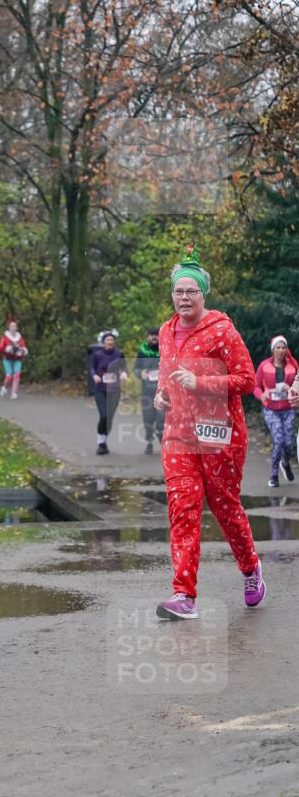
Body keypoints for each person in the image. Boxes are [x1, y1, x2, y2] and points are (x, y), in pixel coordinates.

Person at [154, 244, 265, 620]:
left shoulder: (223, 332)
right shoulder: (166, 332)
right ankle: (184, 595)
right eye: (178, 291)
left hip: (219, 434)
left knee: (224, 507)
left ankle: (251, 570)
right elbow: (168, 375)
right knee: (182, 510)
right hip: (178, 437)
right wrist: (161, 395)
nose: (184, 297)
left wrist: (200, 382)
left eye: (191, 291)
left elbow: (247, 381)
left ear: (203, 294)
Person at [253, 335, 298, 487]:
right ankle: (274, 476)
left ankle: (285, 463)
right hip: (270, 409)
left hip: (288, 409)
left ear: (286, 349)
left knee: (288, 443)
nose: (280, 350)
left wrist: (290, 388)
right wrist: (262, 394)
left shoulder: (293, 366)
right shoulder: (264, 366)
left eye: (283, 347)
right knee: (278, 440)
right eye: (277, 347)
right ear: (273, 349)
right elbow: (255, 386)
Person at [89, 330, 128, 453]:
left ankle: (104, 441)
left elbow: (124, 367)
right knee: (104, 415)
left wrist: (124, 373)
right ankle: (101, 443)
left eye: (112, 340)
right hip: (101, 389)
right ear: (103, 342)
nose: (110, 342)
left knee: (109, 418)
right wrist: (94, 375)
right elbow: (92, 367)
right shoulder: (98, 355)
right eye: (107, 340)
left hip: (114, 390)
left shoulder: (119, 354)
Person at [133, 328, 164, 454]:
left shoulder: (165, 349)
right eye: (151, 335)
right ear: (147, 337)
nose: (154, 337)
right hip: (147, 392)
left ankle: (163, 442)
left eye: (156, 335)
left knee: (161, 419)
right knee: (148, 419)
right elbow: (135, 369)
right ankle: (149, 442)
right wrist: (141, 373)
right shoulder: (142, 352)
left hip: (162, 392)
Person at [0, 318, 28, 399]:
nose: (13, 328)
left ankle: (14, 393)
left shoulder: (19, 337)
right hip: (7, 359)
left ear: (16, 328)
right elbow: (1, 347)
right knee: (9, 376)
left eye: (14, 326)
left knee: (17, 374)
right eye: (11, 326)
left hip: (17, 359)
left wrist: (22, 350)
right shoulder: (5, 337)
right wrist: (7, 349)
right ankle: (4, 387)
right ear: (9, 328)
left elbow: (23, 347)